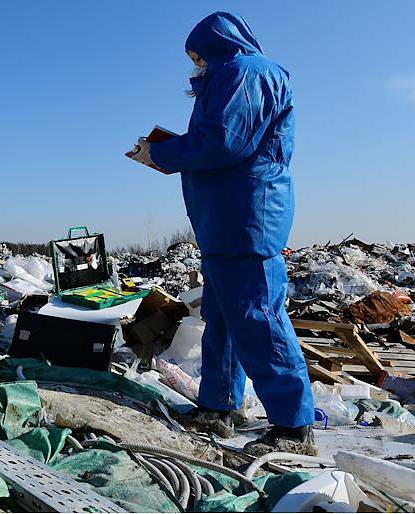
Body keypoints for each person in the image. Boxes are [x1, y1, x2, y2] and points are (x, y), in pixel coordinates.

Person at [129, 12, 316, 456]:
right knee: (224, 319)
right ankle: (218, 406)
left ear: (214, 45)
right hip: (227, 220)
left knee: (257, 317)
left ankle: (293, 424)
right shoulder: (233, 75)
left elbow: (225, 141)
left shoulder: (246, 72)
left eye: (196, 55)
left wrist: (161, 152)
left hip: (246, 218)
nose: (195, 65)